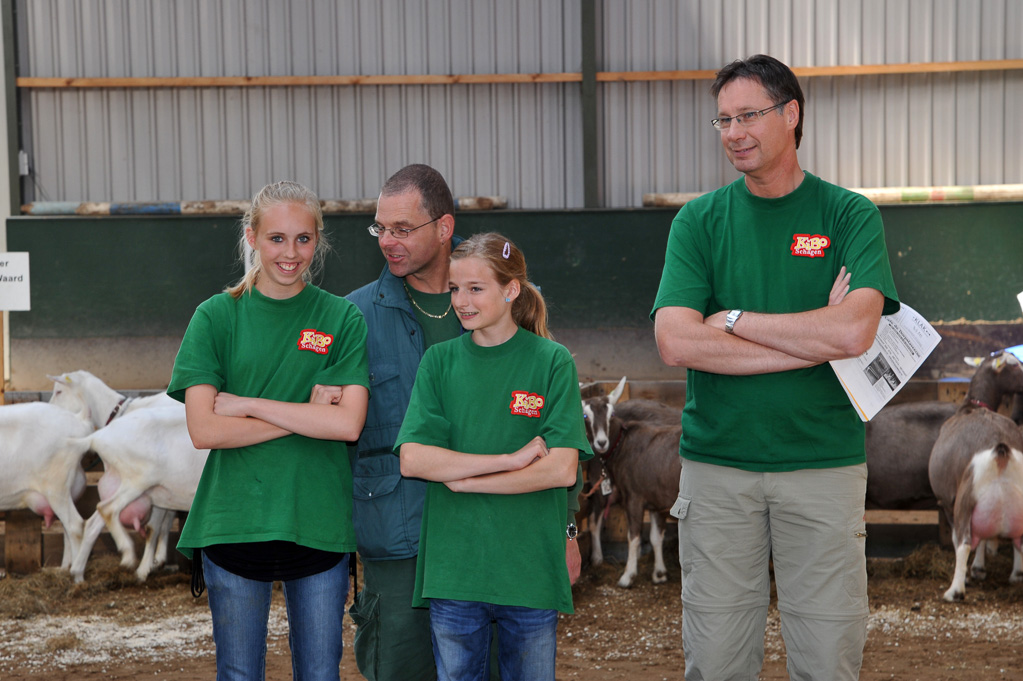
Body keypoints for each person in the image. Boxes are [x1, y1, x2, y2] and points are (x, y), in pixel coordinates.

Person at [651, 55, 900, 681]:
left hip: (822, 467)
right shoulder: (699, 221)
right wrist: (811, 337)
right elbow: (676, 343)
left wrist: (733, 319)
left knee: (826, 660)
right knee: (715, 662)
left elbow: (853, 331)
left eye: (749, 116)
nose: (734, 132)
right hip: (717, 471)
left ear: (791, 115)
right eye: (724, 119)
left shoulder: (849, 214)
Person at [345, 164, 583, 681]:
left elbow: (558, 445)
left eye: (403, 229)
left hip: (510, 542)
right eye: (380, 228)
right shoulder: (353, 317)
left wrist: (566, 529)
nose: (388, 240)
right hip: (400, 538)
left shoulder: (503, 307)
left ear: (444, 227)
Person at [168, 180, 370, 681]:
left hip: (317, 520)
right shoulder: (216, 317)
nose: (290, 253)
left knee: (321, 674)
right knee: (239, 673)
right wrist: (304, 414)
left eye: (303, 239)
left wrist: (251, 406)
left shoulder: (341, 318)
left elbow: (346, 424)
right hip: (234, 519)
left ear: (318, 241)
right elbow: (205, 429)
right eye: (277, 238)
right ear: (252, 236)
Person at [396, 232, 592, 681]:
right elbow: (414, 460)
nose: (461, 301)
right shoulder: (438, 362)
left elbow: (561, 469)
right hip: (455, 568)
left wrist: (466, 478)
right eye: (454, 289)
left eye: (475, 288)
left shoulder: (552, 361)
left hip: (530, 568)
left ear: (511, 290)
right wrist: (509, 460)